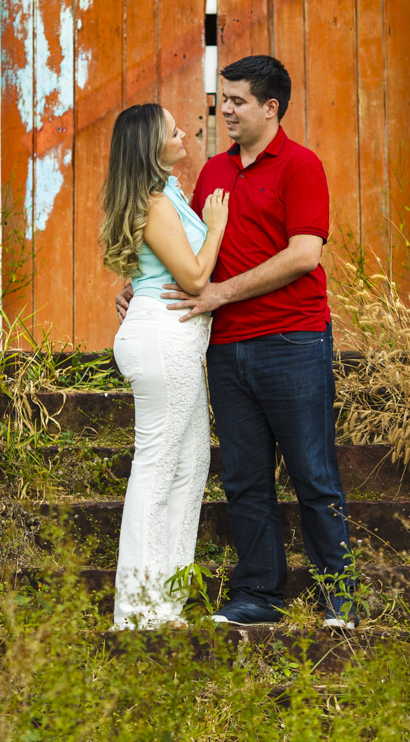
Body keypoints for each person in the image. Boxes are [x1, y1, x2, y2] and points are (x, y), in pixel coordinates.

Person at [116, 55, 356, 629]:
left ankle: (338, 597)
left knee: (312, 473)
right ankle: (258, 594)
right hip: (225, 349)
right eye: (222, 99)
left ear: (270, 107)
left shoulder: (301, 166)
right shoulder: (214, 175)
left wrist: (220, 294)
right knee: (245, 477)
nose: (223, 110)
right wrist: (139, 285)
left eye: (237, 101)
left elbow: (304, 255)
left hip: (293, 340)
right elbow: (186, 247)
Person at [100, 102, 229, 629]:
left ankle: (164, 604)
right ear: (152, 147)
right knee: (157, 469)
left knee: (191, 463)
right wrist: (217, 224)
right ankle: (134, 612)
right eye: (174, 131)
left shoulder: (167, 194)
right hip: (162, 338)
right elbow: (196, 279)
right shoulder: (155, 202)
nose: (184, 134)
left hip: (176, 340)